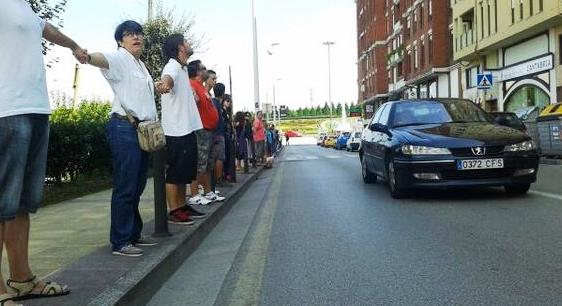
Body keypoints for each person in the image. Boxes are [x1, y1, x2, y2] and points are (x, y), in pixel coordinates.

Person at [0, 1, 86, 303]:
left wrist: (75, 45)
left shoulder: (23, 7)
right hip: (6, 109)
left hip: (36, 108)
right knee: (2, 202)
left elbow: (47, 29)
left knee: (23, 203)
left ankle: (22, 279)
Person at [85, 20, 159, 257]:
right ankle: (120, 241)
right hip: (124, 128)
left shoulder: (140, 64)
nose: (136, 37)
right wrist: (86, 56)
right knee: (126, 186)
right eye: (129, 34)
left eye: (138, 33)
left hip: (142, 129)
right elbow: (101, 59)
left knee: (137, 185)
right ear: (120, 40)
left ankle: (133, 233)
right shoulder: (119, 58)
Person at [156, 34, 206, 225]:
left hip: (187, 128)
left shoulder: (182, 68)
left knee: (185, 170)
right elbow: (168, 79)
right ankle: (174, 210)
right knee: (176, 171)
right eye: (185, 41)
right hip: (176, 130)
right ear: (180, 47)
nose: (189, 42)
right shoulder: (172, 66)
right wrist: (165, 84)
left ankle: (183, 205)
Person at [187, 60, 225, 204]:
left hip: (209, 130)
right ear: (197, 72)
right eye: (203, 68)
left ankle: (208, 191)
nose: (206, 70)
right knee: (199, 163)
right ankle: (195, 194)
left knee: (207, 164)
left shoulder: (202, 87)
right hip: (201, 129)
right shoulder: (191, 85)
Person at [212, 83, 233, 187]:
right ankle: (219, 180)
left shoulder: (214, 103)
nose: (229, 103)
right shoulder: (217, 104)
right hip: (219, 134)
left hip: (219, 134)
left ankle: (220, 179)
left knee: (221, 157)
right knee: (220, 157)